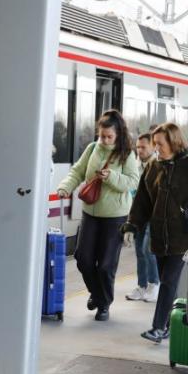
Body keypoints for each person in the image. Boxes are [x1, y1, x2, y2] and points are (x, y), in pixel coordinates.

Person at [123, 123, 188, 342]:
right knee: (166, 280)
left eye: (160, 144)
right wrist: (132, 225)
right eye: (155, 144)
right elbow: (142, 201)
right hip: (159, 237)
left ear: (174, 142)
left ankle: (158, 327)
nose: (156, 148)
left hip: (184, 237)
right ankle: (167, 325)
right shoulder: (154, 167)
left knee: (169, 281)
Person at [56, 110, 142, 320]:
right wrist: (65, 187)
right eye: (100, 135)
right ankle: (96, 293)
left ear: (118, 135)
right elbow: (77, 171)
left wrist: (111, 176)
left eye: (108, 137)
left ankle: (104, 304)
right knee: (83, 258)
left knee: (105, 265)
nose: (103, 140)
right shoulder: (92, 148)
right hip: (91, 212)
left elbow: (133, 181)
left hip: (116, 217)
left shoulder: (127, 154)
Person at [125, 132, 160, 303]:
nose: (139, 150)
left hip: (154, 215)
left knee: (148, 249)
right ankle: (142, 285)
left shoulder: (159, 165)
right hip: (139, 215)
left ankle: (155, 284)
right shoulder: (135, 166)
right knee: (139, 251)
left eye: (143, 147)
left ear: (153, 147)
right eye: (137, 147)